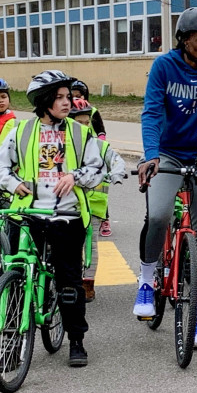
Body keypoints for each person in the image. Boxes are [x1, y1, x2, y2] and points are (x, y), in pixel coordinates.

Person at [0, 71, 108, 367]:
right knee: (15, 278)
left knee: (69, 280)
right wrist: (13, 183)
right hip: (27, 214)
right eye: (61, 97)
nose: (69, 102)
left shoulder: (80, 133)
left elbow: (97, 167)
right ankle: (13, 342)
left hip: (67, 216)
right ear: (44, 101)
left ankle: (76, 339)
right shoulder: (20, 131)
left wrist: (75, 175)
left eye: (69, 97)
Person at [135, 8, 197, 350]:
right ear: (185, 40)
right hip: (168, 152)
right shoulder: (164, 66)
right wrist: (150, 156)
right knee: (160, 215)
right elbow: (150, 111)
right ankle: (147, 280)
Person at [72, 97, 128, 301]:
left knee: (90, 245)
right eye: (79, 123)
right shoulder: (62, 144)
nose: (85, 127)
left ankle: (88, 283)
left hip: (94, 203)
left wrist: (118, 173)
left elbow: (115, 160)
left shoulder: (98, 145)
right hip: (68, 203)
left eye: (87, 123)